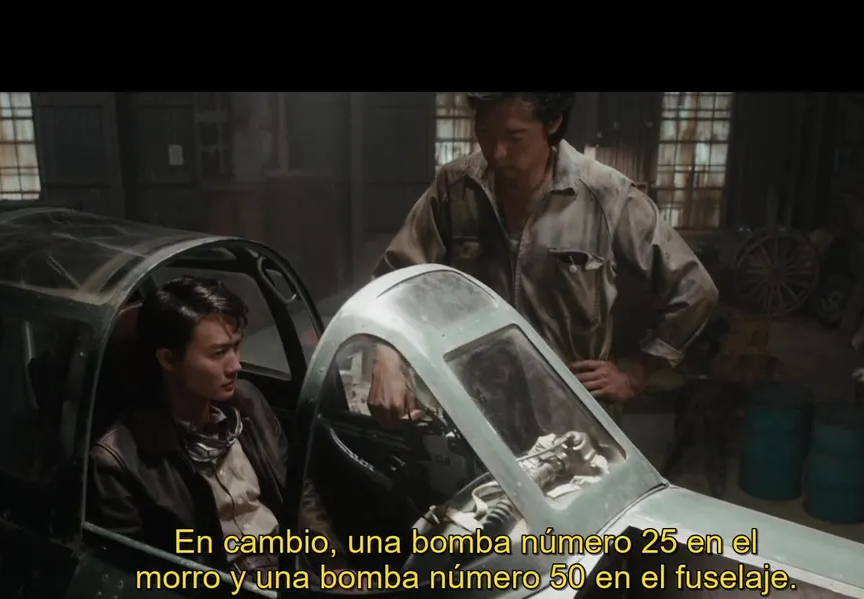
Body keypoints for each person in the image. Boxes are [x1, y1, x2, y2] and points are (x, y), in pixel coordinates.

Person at [369, 91, 719, 427]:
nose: (496, 152)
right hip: (477, 418)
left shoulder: (606, 196)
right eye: (484, 132)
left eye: (514, 137)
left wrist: (637, 372)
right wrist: (388, 358)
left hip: (574, 422)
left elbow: (694, 290)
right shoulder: (456, 188)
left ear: (552, 122)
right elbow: (395, 279)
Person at [88, 276, 339, 573]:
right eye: (218, 353)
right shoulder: (119, 460)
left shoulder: (248, 402)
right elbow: (133, 574)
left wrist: (333, 566)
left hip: (292, 564)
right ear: (168, 359)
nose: (235, 365)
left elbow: (299, 489)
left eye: (236, 347)